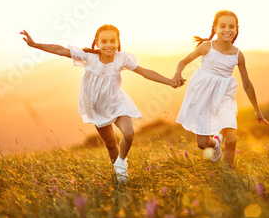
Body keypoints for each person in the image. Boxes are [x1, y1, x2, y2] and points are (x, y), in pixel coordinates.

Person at [21, 24, 179, 182]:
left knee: (129, 134)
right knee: (110, 144)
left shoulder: (122, 58)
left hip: (117, 103)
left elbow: (145, 72)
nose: (108, 45)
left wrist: (170, 81)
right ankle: (118, 175)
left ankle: (121, 164)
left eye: (112, 41)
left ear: (118, 42)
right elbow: (61, 50)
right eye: (104, 41)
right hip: (96, 107)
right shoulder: (89, 57)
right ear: (97, 43)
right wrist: (35, 45)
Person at [171, 10, 269, 168]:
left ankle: (227, 176)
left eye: (231, 26)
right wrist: (177, 73)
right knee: (203, 144)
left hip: (224, 96)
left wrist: (257, 110)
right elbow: (184, 61)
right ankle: (215, 143)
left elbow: (247, 84)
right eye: (222, 25)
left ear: (236, 29)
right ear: (215, 28)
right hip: (202, 95)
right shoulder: (206, 47)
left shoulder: (238, 55)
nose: (227, 29)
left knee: (232, 140)